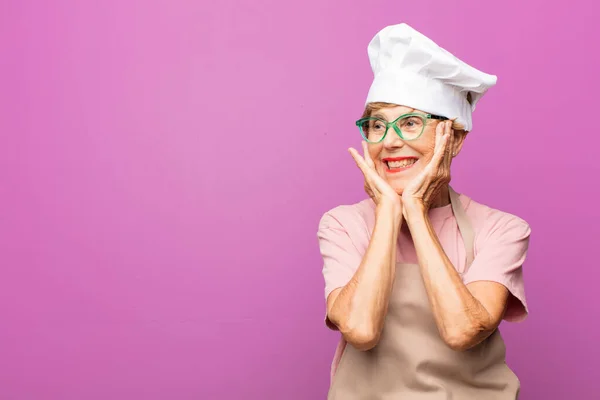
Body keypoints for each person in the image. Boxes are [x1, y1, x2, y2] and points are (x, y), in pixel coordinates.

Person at [317, 23, 531, 399]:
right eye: (377, 125)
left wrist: (414, 210)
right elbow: (361, 329)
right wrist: (388, 211)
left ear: (456, 138)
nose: (391, 141)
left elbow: (462, 330)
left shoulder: (501, 229)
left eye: (411, 123)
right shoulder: (343, 224)